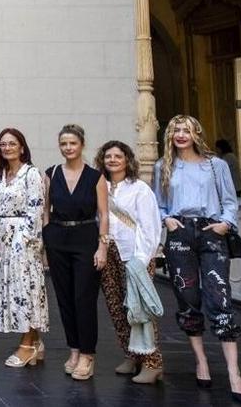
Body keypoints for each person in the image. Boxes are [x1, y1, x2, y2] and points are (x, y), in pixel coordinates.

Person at [155, 115, 241, 403]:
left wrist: (225, 223)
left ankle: (234, 372)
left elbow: (230, 200)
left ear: (196, 133)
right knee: (187, 297)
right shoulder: (163, 167)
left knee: (220, 297)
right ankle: (201, 361)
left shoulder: (214, 165)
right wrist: (166, 219)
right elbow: (158, 203)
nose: (181, 135)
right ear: (170, 136)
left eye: (186, 130)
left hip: (211, 231)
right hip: (180, 233)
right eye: (176, 131)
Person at [42, 123, 109, 381]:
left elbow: (103, 214)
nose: (68, 148)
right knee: (65, 298)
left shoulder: (95, 177)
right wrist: (46, 244)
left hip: (86, 238)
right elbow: (46, 211)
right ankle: (73, 349)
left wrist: (102, 246)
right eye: (63, 144)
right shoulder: (51, 173)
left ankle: (87, 354)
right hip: (57, 237)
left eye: (72, 143)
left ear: (82, 145)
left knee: (84, 298)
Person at [96, 140, 163, 384]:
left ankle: (152, 363)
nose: (112, 160)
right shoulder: (100, 186)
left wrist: (142, 259)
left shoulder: (139, 189)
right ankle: (131, 355)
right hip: (108, 251)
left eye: (118, 156)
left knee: (140, 309)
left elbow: (150, 227)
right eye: (108, 156)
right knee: (117, 307)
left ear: (127, 160)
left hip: (134, 255)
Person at [0, 128, 48, 368]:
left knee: (27, 290)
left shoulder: (31, 174)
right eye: (3, 144)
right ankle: (36, 343)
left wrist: (22, 242)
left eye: (12, 143)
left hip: (23, 241)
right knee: (12, 290)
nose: (7, 147)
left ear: (22, 147)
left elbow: (36, 211)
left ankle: (26, 345)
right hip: (1, 239)